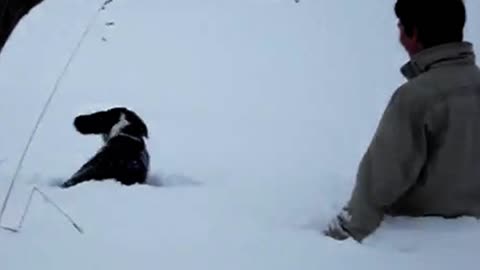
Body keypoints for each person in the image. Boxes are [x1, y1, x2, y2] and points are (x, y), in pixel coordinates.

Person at [324, 0, 480, 243]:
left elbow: (382, 182)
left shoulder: (417, 98)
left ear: (414, 33)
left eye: (400, 27)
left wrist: (341, 234)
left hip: (418, 242)